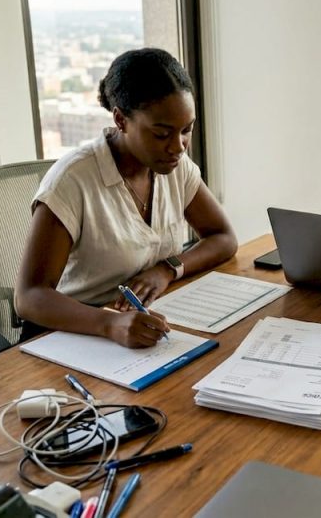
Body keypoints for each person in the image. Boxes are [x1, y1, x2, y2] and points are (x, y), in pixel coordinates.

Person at [15, 48, 237, 348]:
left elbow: (223, 238)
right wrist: (111, 324)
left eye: (187, 130)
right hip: (75, 334)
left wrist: (167, 269)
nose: (178, 146)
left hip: (142, 325)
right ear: (121, 120)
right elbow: (29, 297)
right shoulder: (72, 181)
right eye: (161, 134)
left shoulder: (175, 167)